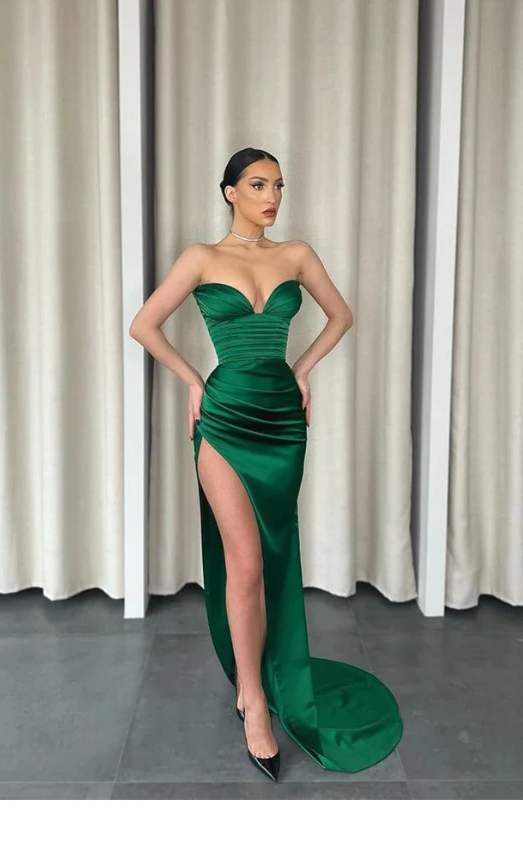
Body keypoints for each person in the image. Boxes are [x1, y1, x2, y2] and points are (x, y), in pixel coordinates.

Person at [129, 147, 403, 782]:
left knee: (272, 555)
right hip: (224, 419)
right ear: (230, 192)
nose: (271, 196)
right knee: (245, 563)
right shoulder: (201, 257)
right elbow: (144, 325)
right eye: (257, 185)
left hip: (281, 421)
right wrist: (194, 381)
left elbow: (342, 315)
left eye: (278, 185)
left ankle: (259, 678)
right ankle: (251, 698)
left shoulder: (297, 254)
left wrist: (301, 369)